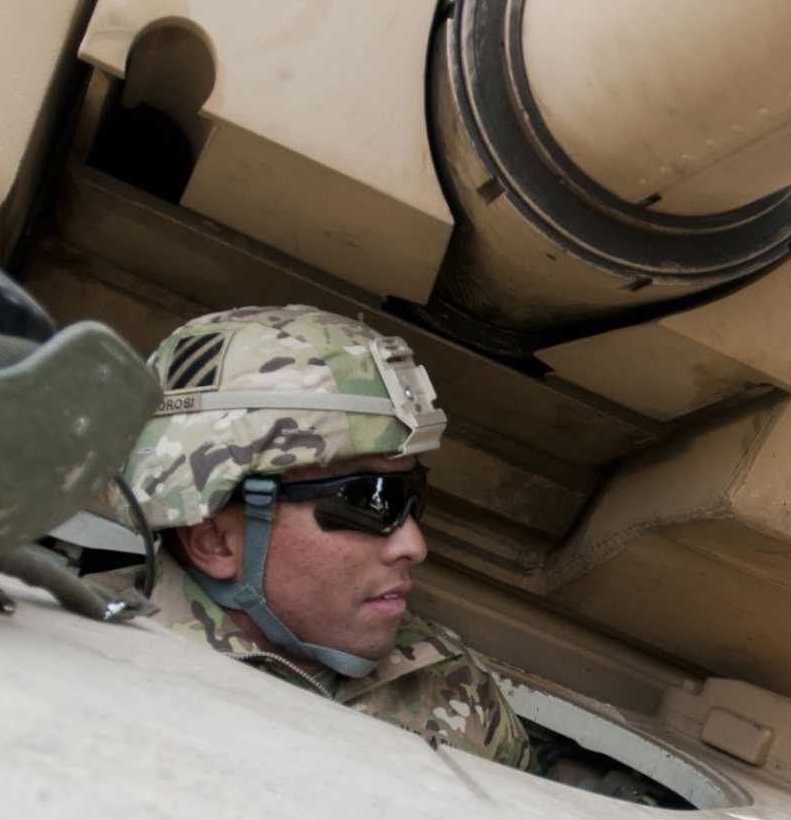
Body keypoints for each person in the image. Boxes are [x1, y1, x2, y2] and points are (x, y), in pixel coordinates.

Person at [121, 304, 537, 770]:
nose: (413, 546)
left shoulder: (446, 675)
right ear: (215, 541)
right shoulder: (100, 666)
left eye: (410, 493)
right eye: (366, 499)